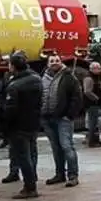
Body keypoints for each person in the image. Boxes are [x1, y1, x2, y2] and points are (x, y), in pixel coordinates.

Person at [1, 52, 43, 199]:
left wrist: (3, 124)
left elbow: (10, 109)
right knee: (31, 154)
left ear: (13, 66)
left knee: (23, 157)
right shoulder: (37, 79)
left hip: (18, 125)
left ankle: (30, 186)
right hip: (33, 122)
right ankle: (32, 182)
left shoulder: (14, 85)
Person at [41, 54, 82, 187]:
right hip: (47, 118)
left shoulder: (69, 77)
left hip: (63, 118)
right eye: (51, 61)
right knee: (56, 148)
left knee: (66, 146)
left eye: (57, 60)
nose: (54, 63)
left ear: (61, 62)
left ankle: (73, 175)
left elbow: (76, 97)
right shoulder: (43, 78)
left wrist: (69, 115)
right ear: (47, 64)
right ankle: (60, 174)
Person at [82, 62, 101, 147]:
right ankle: (92, 141)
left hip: (94, 103)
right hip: (91, 104)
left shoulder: (96, 77)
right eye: (97, 68)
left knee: (94, 123)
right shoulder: (89, 78)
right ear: (92, 69)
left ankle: (95, 140)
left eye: (99, 68)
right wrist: (97, 99)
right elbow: (87, 91)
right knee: (92, 123)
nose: (99, 70)